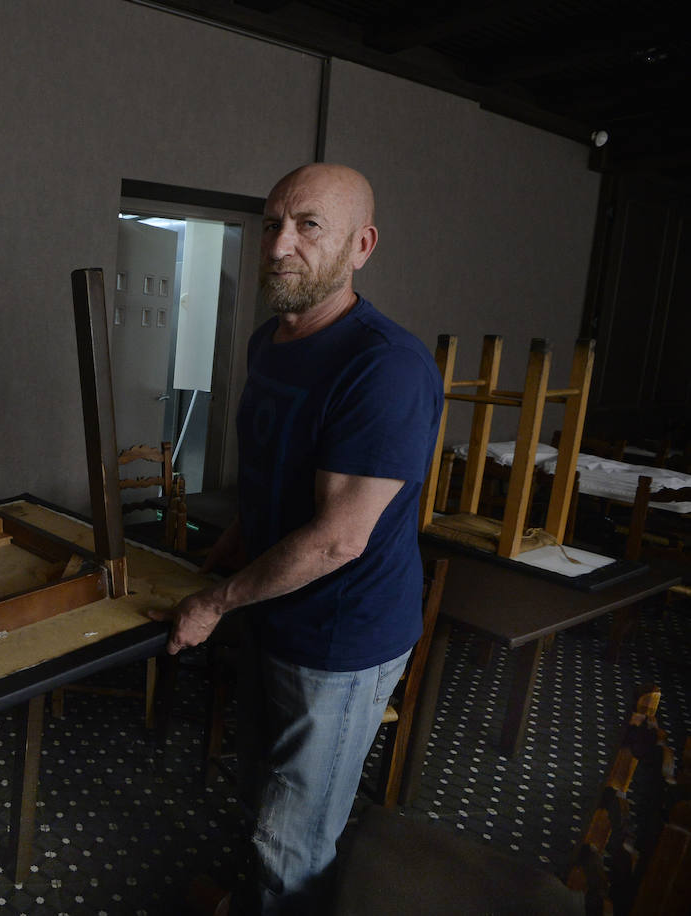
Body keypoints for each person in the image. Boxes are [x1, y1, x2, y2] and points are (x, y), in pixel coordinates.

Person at [149, 163, 442, 915]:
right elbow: (276, 465)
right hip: (273, 611)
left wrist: (217, 600)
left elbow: (339, 539)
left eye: (309, 225)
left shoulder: (385, 366)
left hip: (343, 638)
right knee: (260, 795)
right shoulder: (269, 343)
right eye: (272, 223)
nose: (280, 244)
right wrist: (242, 536)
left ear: (361, 245)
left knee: (294, 838)